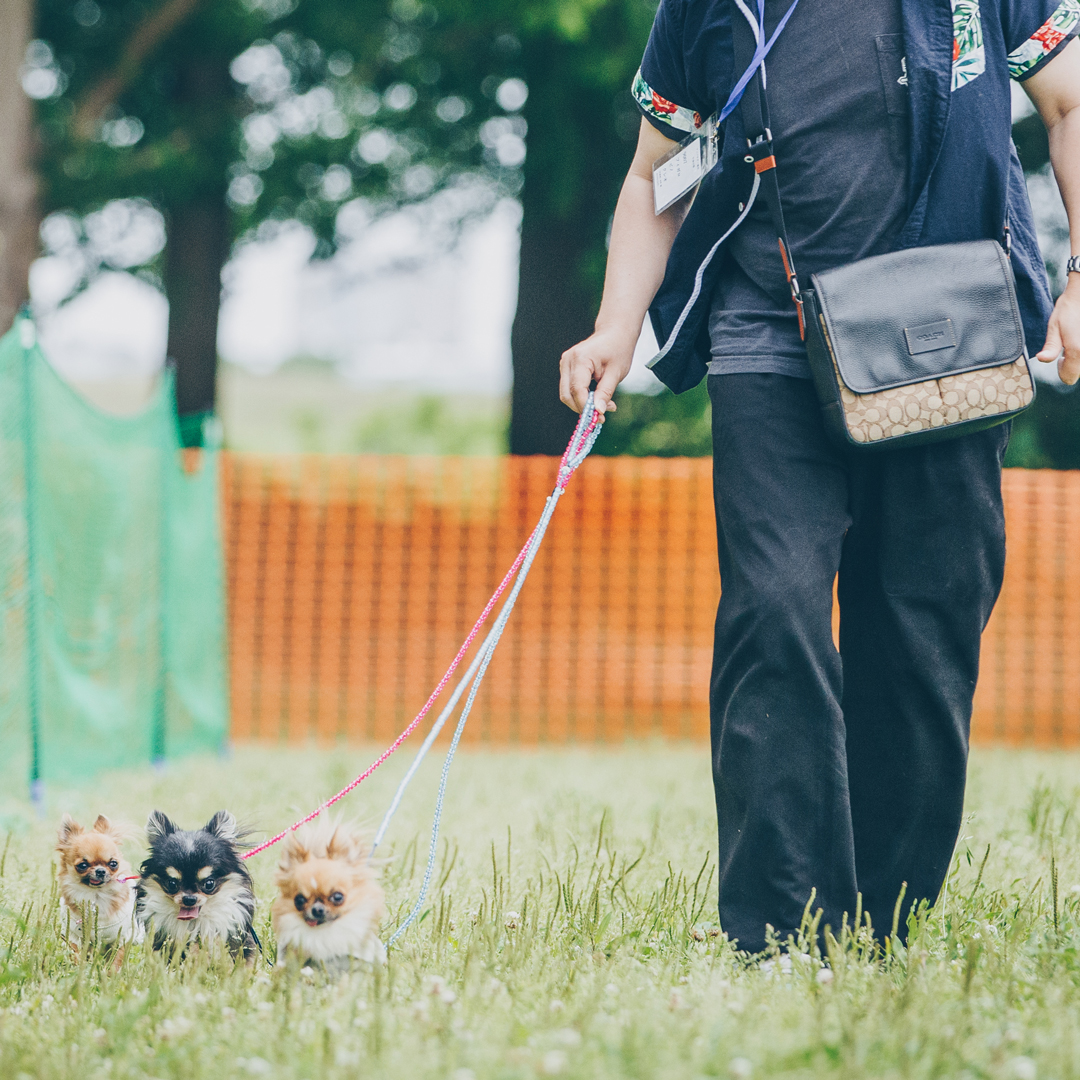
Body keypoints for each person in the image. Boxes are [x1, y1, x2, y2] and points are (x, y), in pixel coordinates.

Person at [559, 0, 1080, 955]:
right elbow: (653, 176)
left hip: (948, 327)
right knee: (773, 613)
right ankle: (784, 929)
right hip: (769, 331)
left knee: (923, 632)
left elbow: (1068, 105)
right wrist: (614, 326)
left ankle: (880, 924)